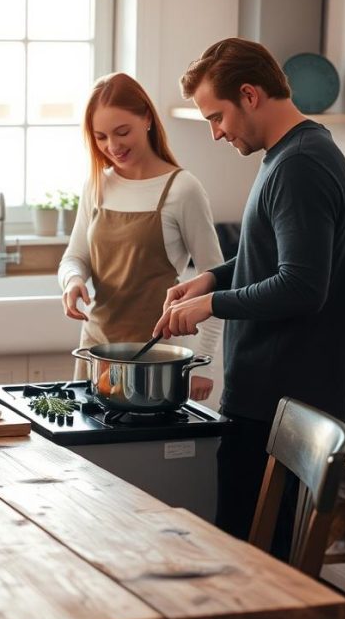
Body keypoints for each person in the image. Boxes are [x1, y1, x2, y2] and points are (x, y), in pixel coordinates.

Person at [154, 38, 345, 557]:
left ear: (249, 95)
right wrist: (212, 279)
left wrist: (210, 306)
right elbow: (271, 259)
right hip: (273, 398)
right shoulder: (288, 156)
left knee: (249, 570)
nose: (215, 132)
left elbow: (301, 285)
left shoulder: (300, 166)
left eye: (216, 116)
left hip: (283, 402)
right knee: (248, 561)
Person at [59, 72, 223, 401]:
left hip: (158, 359)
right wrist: (73, 281)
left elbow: (216, 279)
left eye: (122, 132)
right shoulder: (97, 184)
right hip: (96, 351)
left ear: (146, 118)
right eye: (101, 137)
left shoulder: (182, 189)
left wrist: (203, 366)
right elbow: (74, 256)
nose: (113, 146)